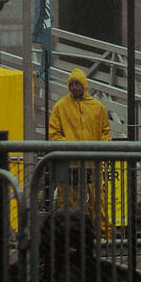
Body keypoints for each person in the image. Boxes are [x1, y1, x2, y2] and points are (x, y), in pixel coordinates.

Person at [47, 68, 112, 223]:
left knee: (97, 202)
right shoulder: (60, 107)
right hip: (69, 164)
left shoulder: (97, 108)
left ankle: (101, 235)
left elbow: (105, 132)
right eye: (72, 84)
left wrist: (99, 149)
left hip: (91, 164)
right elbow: (54, 134)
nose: (74, 87)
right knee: (68, 203)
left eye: (77, 84)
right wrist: (72, 148)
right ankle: (70, 237)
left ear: (84, 85)